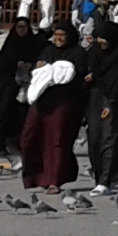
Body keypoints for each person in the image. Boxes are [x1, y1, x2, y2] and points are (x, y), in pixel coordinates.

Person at [16, 21, 85, 190]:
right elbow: (38, 72)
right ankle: (35, 177)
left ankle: (55, 180)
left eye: (62, 36)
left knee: (57, 141)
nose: (59, 39)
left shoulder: (78, 53)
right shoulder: (48, 50)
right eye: (56, 35)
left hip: (64, 103)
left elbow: (79, 77)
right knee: (29, 137)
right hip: (41, 102)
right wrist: (38, 68)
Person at [0, 16, 42, 158]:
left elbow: (39, 55)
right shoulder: (11, 43)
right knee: (2, 116)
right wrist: (15, 64)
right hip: (6, 88)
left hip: (25, 88)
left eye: (24, 27)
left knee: (22, 117)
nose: (21, 30)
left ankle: (20, 145)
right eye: (19, 27)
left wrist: (30, 65)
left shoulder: (32, 43)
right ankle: (0, 145)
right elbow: (2, 64)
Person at [84, 19, 118, 192]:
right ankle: (101, 176)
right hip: (95, 98)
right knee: (94, 138)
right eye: (98, 37)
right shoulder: (95, 51)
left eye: (104, 38)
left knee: (110, 138)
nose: (100, 41)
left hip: (115, 100)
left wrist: (111, 104)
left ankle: (105, 180)